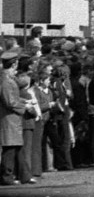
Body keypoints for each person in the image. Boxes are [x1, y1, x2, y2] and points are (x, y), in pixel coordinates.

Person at [1, 50, 35, 185]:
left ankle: (24, 175)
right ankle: (6, 176)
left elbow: (13, 98)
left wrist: (23, 101)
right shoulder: (6, 81)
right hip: (9, 119)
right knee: (10, 148)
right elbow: (9, 101)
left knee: (17, 147)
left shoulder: (7, 79)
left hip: (12, 118)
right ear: (14, 64)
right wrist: (24, 107)